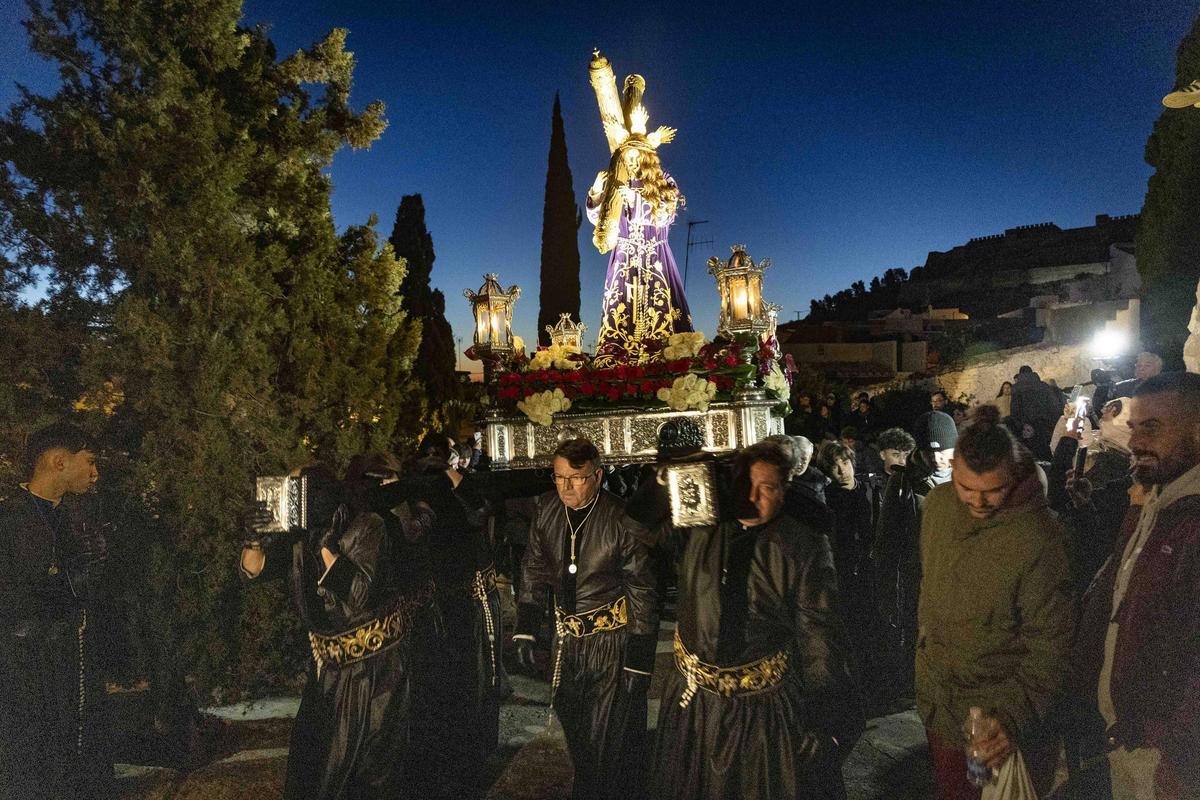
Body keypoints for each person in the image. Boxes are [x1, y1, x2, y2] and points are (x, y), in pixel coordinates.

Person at [630, 440, 863, 799]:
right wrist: (667, 478)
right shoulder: (701, 525)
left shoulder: (803, 546)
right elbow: (637, 527)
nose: (752, 497)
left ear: (785, 489)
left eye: (767, 487)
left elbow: (820, 636)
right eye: (745, 484)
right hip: (695, 707)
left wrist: (825, 716)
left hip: (762, 713)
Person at [240, 456, 437, 800]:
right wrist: (253, 540)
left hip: (376, 673)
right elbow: (257, 571)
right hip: (329, 673)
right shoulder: (300, 536)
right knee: (315, 771)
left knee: (369, 775)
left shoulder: (367, 525)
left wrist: (328, 548)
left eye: (297, 490)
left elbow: (360, 594)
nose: (290, 499)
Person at [917, 405, 1075, 800]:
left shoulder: (1038, 536)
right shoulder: (937, 506)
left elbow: (1051, 643)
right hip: (940, 704)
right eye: (967, 487)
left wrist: (1011, 718)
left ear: (1015, 473)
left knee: (989, 793)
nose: (980, 502)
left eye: (994, 490)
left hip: (995, 718)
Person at [1070, 373, 1200, 799]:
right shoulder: (1156, 499)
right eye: (1134, 427)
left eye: (1153, 427)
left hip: (1165, 756)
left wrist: (1175, 753)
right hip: (1124, 737)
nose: (1136, 442)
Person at [515, 438, 658, 800]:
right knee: (576, 739)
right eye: (558, 476)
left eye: (575, 478)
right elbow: (533, 569)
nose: (565, 486)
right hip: (567, 646)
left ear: (598, 475)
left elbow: (642, 588)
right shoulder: (546, 509)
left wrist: (639, 661)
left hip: (611, 646)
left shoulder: (620, 517)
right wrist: (527, 629)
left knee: (606, 743)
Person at [0, 423, 111, 799]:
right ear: (59, 461)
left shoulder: (79, 517)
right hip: (25, 668)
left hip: (72, 660)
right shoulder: (9, 519)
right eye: (90, 462)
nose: (96, 473)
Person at [402, 433, 503, 796]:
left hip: (442, 601)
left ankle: (446, 763)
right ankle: (454, 763)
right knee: (455, 682)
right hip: (448, 601)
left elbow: (479, 514)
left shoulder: (421, 486)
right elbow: (480, 514)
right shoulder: (431, 487)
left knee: (443, 684)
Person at [870, 410, 957, 709]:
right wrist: (886, 589)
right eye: (929, 453)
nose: (937, 461)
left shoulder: (969, 478)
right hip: (918, 577)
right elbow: (886, 540)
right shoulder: (904, 483)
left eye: (944, 452)